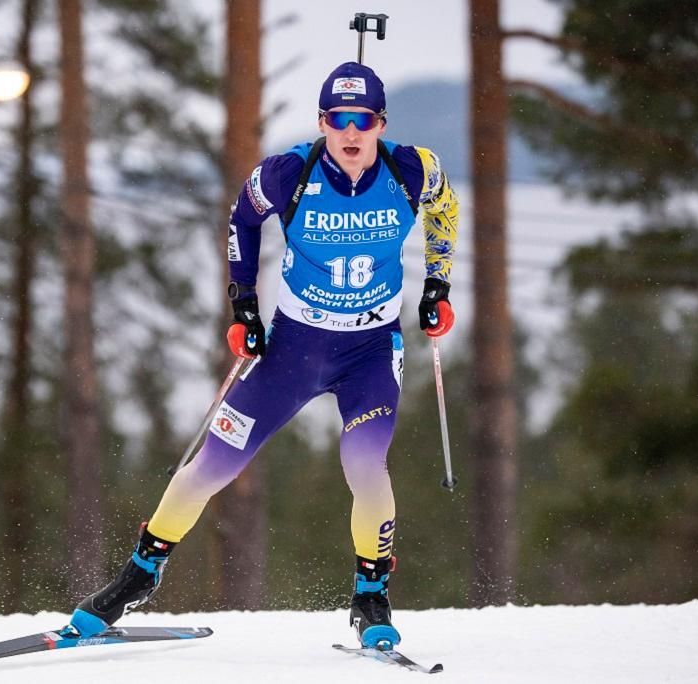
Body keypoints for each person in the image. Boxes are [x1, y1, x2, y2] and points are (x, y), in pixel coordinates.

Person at [65, 61, 459, 650]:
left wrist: (438, 288)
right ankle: (136, 578)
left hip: (370, 352)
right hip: (293, 349)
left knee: (365, 467)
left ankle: (370, 595)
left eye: (364, 120)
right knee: (211, 466)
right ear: (322, 121)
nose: (351, 134)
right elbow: (241, 220)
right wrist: (243, 305)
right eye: (337, 119)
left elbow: (445, 211)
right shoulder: (287, 173)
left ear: (381, 122)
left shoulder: (412, 169)